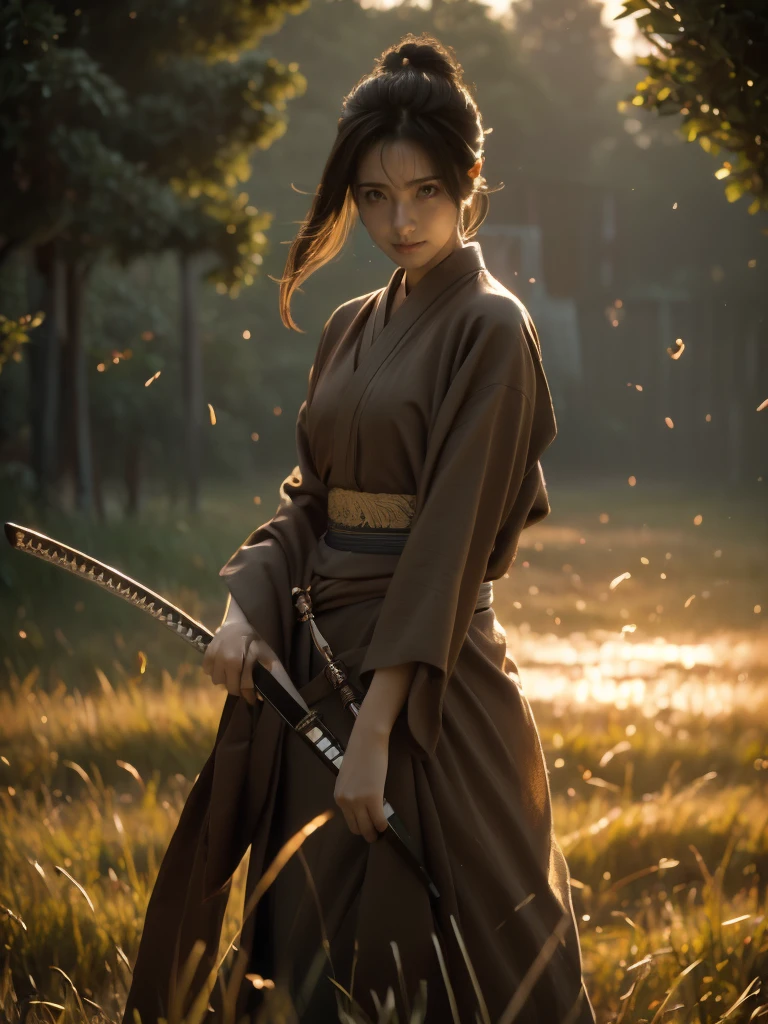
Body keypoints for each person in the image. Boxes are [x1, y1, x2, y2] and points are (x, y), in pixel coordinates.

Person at [121, 32, 597, 1024]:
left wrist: (378, 732)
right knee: (311, 949)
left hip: (427, 694)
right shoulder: (348, 324)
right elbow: (309, 500)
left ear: (469, 181)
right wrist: (247, 611)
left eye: (422, 191)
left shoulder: (493, 328)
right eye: (374, 197)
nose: (398, 219)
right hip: (311, 667)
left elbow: (448, 545)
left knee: (478, 949)